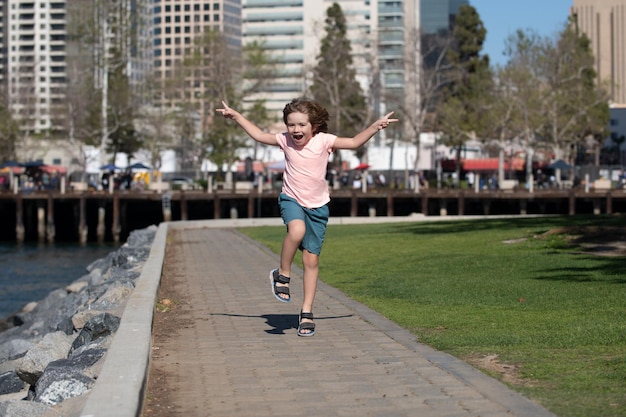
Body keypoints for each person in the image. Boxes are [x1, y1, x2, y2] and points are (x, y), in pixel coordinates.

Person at [216, 98, 397, 337]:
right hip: (292, 199)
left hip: (318, 207)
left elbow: (353, 142)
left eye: (301, 125)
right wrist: (237, 116)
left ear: (313, 125)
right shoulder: (284, 140)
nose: (296, 130)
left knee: (311, 261)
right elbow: (259, 135)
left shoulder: (324, 141)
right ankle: (282, 273)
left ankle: (307, 312)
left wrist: (376, 126)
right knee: (296, 231)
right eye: (291, 125)